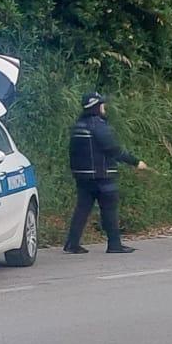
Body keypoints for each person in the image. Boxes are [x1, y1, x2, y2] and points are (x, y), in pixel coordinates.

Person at [64, 92, 147, 255]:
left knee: (82, 209)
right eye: (102, 104)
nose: (104, 107)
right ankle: (114, 244)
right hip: (101, 175)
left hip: (82, 176)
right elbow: (112, 148)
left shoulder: (78, 125)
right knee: (109, 209)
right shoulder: (98, 125)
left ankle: (72, 243)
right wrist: (135, 162)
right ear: (96, 107)